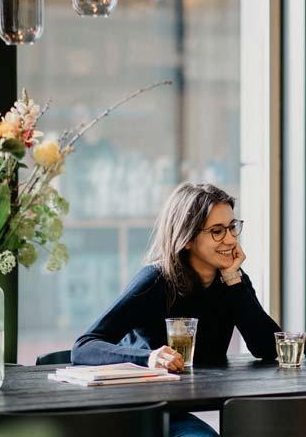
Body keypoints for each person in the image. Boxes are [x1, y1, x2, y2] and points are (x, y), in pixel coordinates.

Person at [72, 182, 281, 437]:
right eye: (217, 231)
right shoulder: (155, 280)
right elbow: (84, 346)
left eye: (232, 227)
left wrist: (233, 279)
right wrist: (149, 358)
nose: (230, 239)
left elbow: (268, 348)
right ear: (187, 239)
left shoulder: (231, 279)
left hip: (182, 407)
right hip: (140, 410)